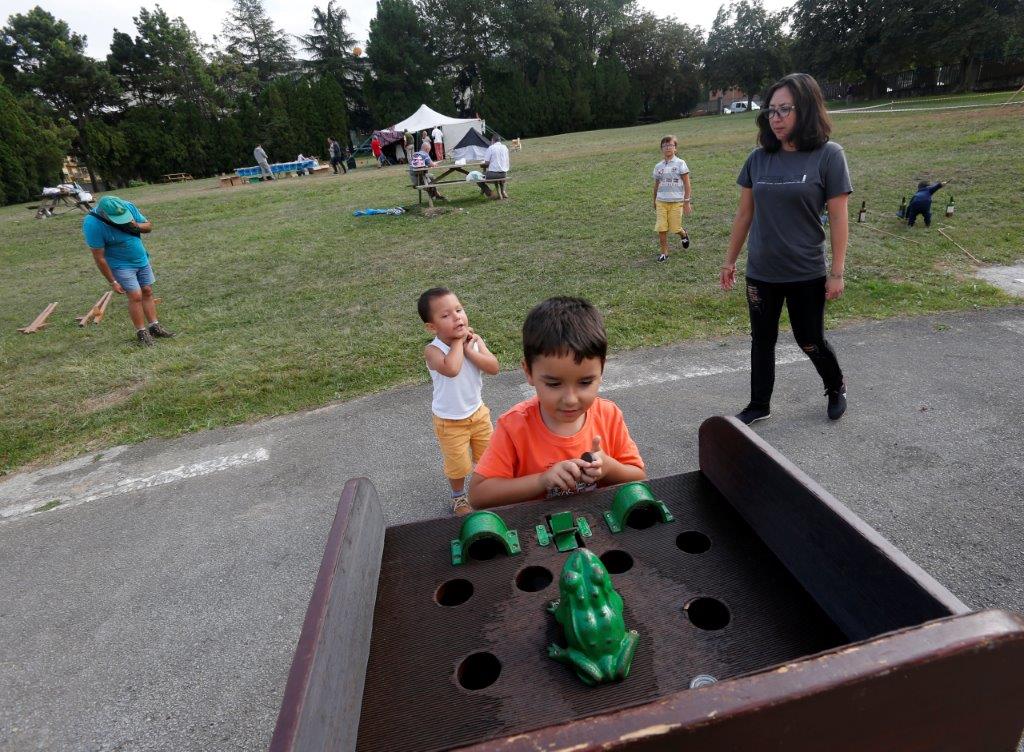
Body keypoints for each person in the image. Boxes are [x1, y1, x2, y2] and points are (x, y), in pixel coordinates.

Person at [719, 72, 851, 425]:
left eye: (784, 110)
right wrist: (729, 261)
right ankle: (759, 403)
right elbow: (744, 214)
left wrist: (837, 272)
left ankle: (835, 384)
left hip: (806, 271)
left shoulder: (828, 156)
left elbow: (838, 218)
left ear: (805, 109)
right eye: (770, 111)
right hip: (761, 271)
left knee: (809, 339)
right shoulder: (758, 159)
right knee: (762, 341)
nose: (775, 119)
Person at [468, 297, 646, 509]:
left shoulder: (609, 415)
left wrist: (609, 467)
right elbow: (478, 496)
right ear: (529, 372)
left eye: (585, 382)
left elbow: (640, 478)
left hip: (598, 525)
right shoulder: (514, 426)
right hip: (536, 532)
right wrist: (542, 480)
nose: (570, 399)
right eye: (554, 384)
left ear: (602, 370)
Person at [419, 287, 500, 514]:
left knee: (488, 456)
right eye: (446, 316)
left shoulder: (473, 342)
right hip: (449, 421)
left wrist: (469, 348)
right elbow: (452, 368)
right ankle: (459, 497)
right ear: (432, 327)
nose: (456, 317)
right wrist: (458, 342)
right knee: (458, 465)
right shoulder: (433, 350)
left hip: (478, 412)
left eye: (459, 310)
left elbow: (493, 367)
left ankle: (489, 489)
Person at [83, 195, 174, 347]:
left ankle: (154, 326)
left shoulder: (128, 206)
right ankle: (141, 332)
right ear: (104, 213)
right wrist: (112, 281)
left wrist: (136, 226)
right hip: (120, 265)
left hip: (141, 259)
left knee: (147, 291)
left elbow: (149, 226)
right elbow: (99, 257)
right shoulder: (92, 224)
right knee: (135, 295)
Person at [652, 134, 693, 262]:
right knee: (662, 227)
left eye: (670, 145)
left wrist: (686, 201)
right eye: (664, 146)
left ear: (675, 148)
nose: (667, 148)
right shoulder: (658, 166)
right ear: (661, 149)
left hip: (676, 202)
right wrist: (654, 200)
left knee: (675, 228)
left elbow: (687, 183)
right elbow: (656, 185)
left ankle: (683, 234)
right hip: (661, 201)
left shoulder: (681, 163)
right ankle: (664, 252)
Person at [479, 133, 510, 199]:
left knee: (477, 177)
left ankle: (489, 193)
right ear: (499, 140)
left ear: (492, 140)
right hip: (504, 174)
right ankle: (503, 192)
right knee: (499, 172)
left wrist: (484, 163)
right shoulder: (505, 147)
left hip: (494, 174)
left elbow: (486, 163)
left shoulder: (491, 148)